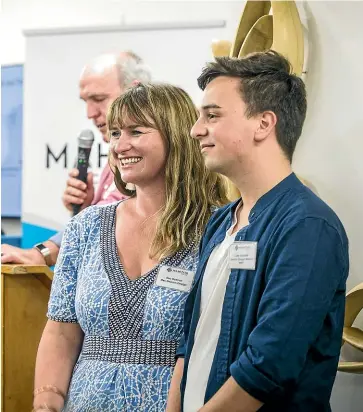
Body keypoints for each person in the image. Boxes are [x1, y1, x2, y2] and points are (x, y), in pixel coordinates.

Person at [167, 51, 349, 412]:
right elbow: (190, 343)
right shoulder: (220, 223)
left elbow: (269, 366)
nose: (195, 129)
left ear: (264, 124)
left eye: (213, 115)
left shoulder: (308, 227)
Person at [32, 83, 229, 412]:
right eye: (113, 134)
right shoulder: (86, 227)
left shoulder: (217, 228)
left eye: (135, 131)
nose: (120, 145)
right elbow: (61, 332)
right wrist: (46, 401)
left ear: (177, 135)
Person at [1, 51, 151, 267]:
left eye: (99, 99)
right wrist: (85, 208)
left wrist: (42, 253)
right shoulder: (114, 156)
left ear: (135, 90)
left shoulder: (147, 155)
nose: (90, 113)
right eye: (86, 101)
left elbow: (117, 215)